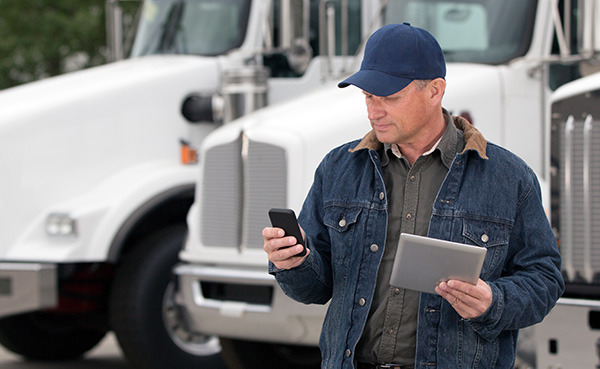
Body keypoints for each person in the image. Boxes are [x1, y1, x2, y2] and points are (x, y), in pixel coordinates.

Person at [263, 23, 564, 369]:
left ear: (435, 91)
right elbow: (315, 289)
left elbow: (544, 279)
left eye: (389, 97)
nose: (374, 111)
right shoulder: (338, 168)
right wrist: (294, 262)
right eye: (368, 97)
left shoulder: (509, 177)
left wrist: (493, 302)